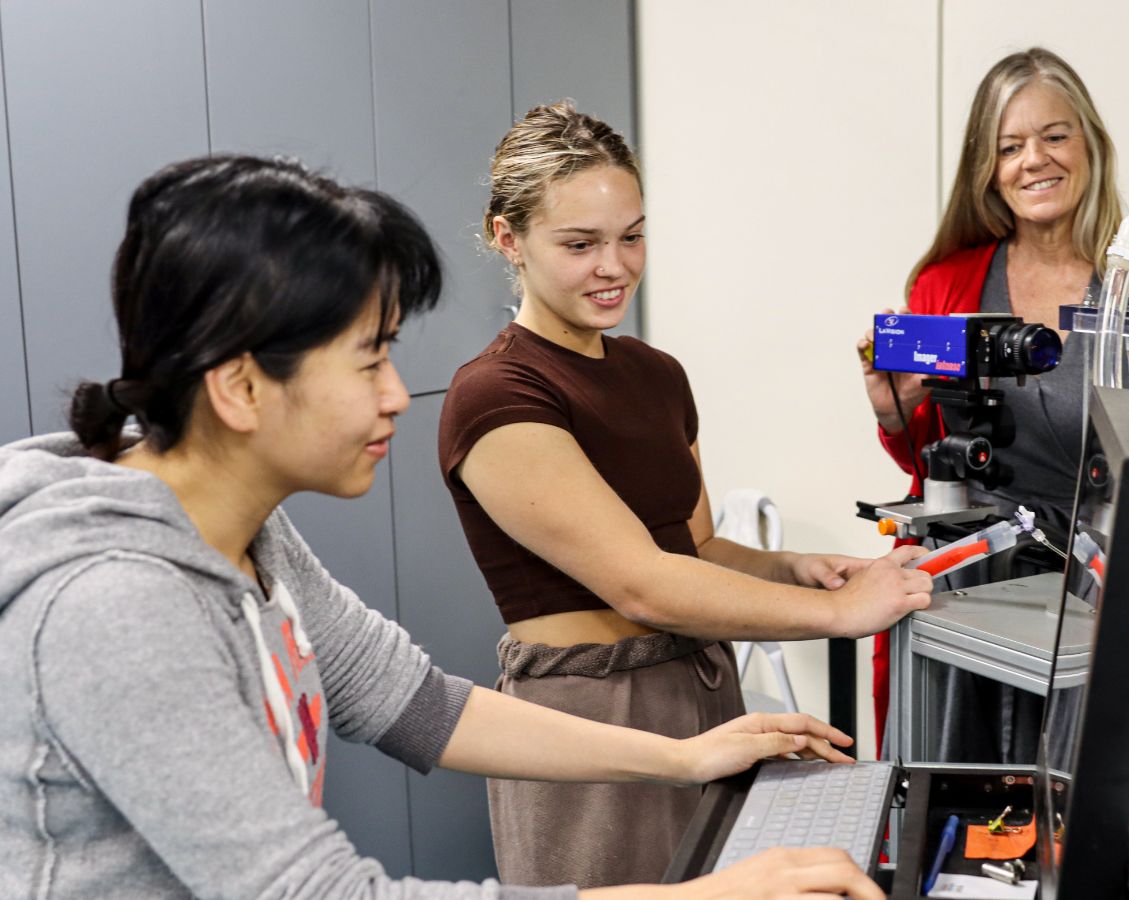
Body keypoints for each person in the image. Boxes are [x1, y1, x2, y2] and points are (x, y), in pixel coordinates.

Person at [0, 154, 885, 900]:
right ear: (239, 387)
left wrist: (681, 759)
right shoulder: (115, 603)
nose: (395, 395)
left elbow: (416, 703)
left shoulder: (253, 538)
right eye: (369, 357)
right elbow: (318, 894)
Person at [438, 102, 931, 889]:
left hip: (703, 688)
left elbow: (695, 550)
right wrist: (839, 618)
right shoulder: (497, 393)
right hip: (592, 718)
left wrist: (799, 568)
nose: (615, 266)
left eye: (631, 236)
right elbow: (643, 583)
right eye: (580, 244)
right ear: (508, 238)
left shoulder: (656, 374)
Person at [855, 48, 1129, 760]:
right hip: (973, 581)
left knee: (1085, 786)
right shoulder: (947, 284)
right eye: (1010, 146)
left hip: (1100, 582)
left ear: (1089, 144)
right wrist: (892, 409)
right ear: (988, 169)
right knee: (958, 787)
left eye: (1054, 136)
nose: (1034, 160)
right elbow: (929, 458)